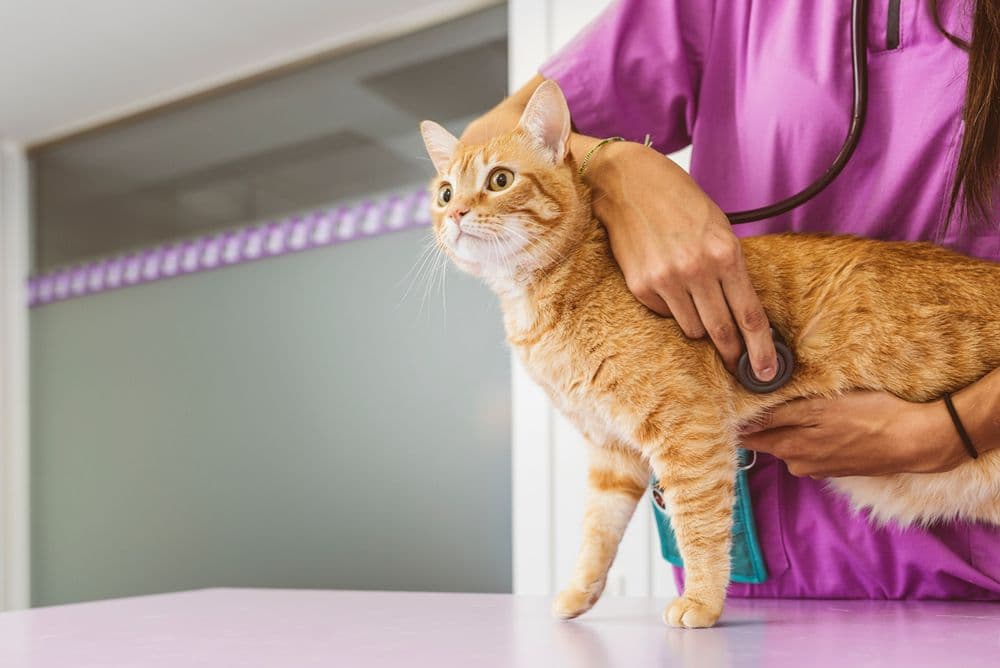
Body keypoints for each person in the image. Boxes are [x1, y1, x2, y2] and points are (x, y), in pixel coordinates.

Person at [462, 0, 1000, 598]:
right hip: (754, 572)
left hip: (978, 550)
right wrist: (609, 165)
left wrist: (955, 428)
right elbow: (487, 141)